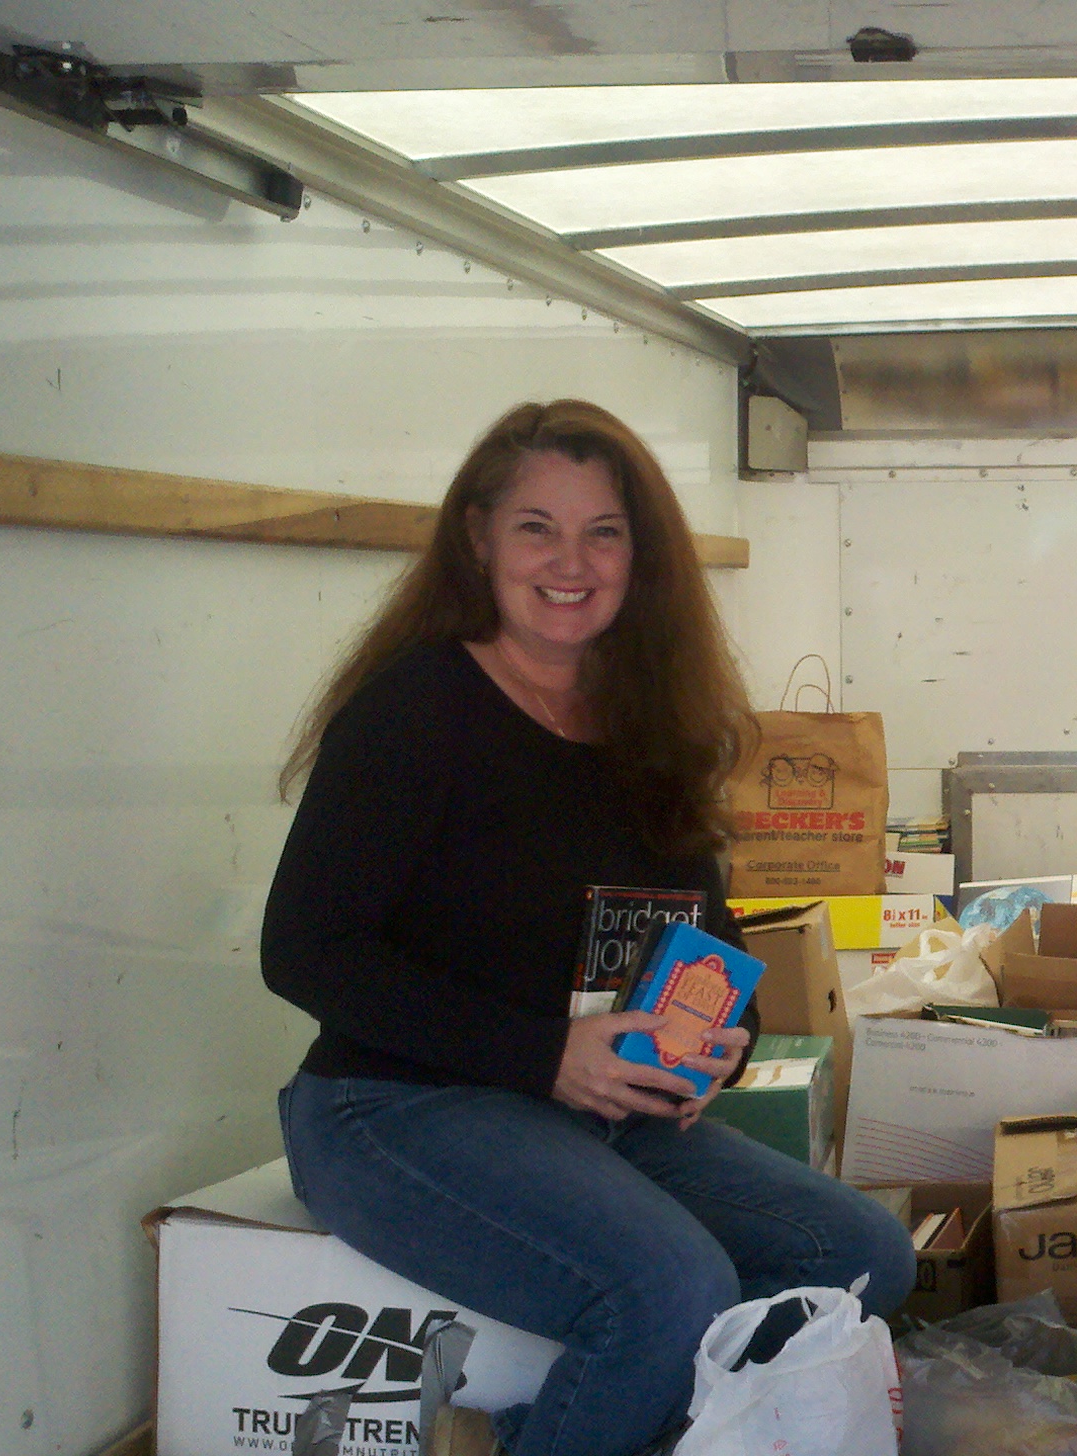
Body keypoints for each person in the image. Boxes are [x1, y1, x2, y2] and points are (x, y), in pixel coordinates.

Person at [262, 400, 914, 1456]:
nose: (571, 560)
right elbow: (303, 950)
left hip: (592, 1112)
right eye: (537, 527)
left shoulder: (645, 716)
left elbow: (709, 934)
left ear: (638, 554)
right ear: (478, 537)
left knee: (859, 1251)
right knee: (667, 1288)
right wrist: (543, 1055)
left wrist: (719, 1033)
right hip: (396, 1108)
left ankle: (562, 1431)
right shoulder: (415, 709)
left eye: (603, 531)